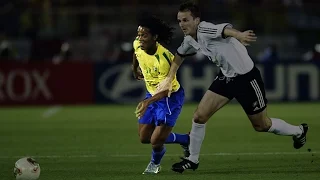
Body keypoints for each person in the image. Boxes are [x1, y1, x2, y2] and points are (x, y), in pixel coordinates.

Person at [155, 2, 309, 173]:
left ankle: (299, 131)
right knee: (199, 116)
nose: (182, 24)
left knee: (262, 125)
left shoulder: (204, 29)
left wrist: (240, 35)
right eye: (179, 21)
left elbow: (225, 30)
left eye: (186, 20)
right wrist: (169, 78)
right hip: (226, 77)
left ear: (197, 20)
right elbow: (179, 55)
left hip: (247, 79)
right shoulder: (190, 39)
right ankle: (192, 159)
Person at [132, 12, 190, 174]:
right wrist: (134, 68)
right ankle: (186, 139)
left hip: (169, 98)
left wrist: (147, 102)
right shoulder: (138, 43)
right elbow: (136, 53)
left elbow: (166, 90)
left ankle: (154, 164)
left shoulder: (165, 58)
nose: (140, 38)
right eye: (139, 34)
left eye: (144, 35)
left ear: (155, 37)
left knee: (156, 141)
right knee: (144, 138)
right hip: (152, 95)